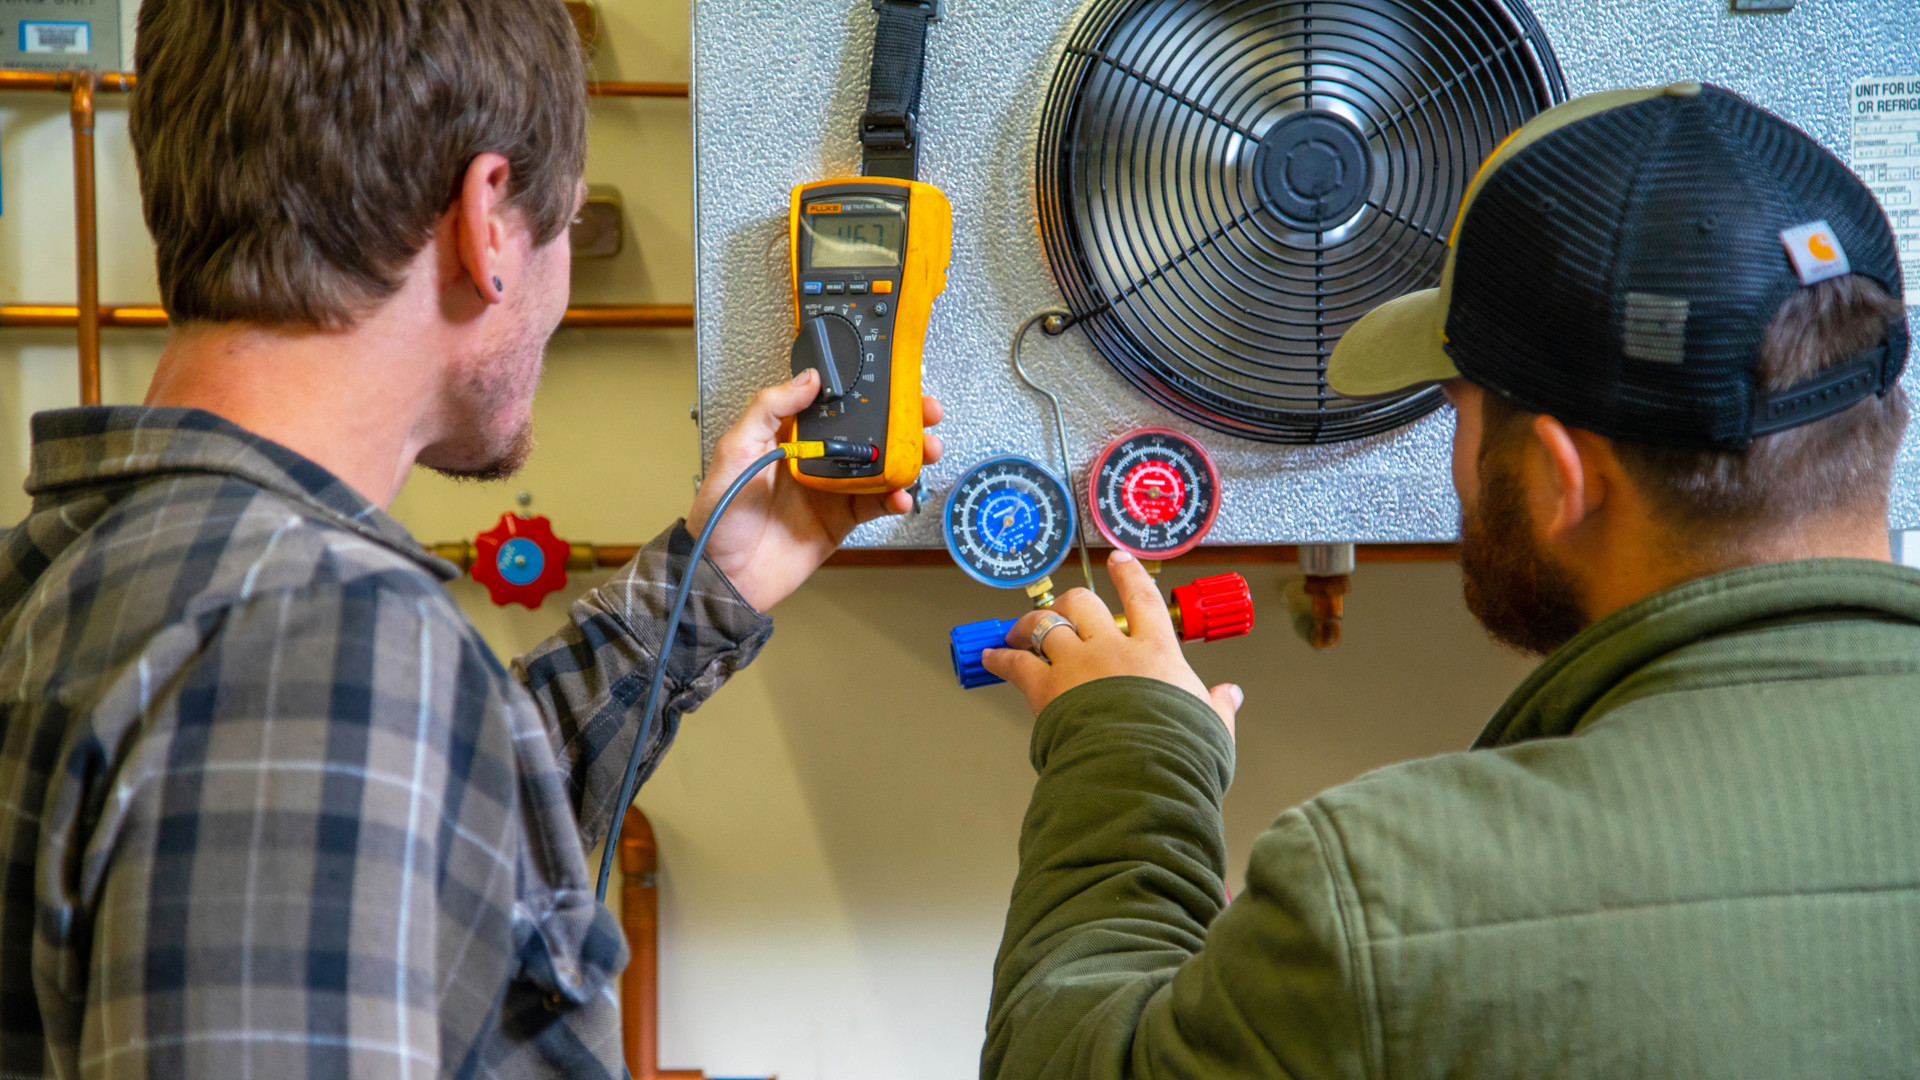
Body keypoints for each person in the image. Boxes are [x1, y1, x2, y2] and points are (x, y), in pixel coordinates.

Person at [0, 0, 940, 1076]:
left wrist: (706, 588)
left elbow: (419, 833)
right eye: (568, 226)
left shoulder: (75, 568)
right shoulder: (306, 646)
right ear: (488, 220)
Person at [979, 82, 1918, 1078]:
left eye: (1455, 409)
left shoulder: (1390, 896)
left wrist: (1130, 752)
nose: (1455, 457)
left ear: (1564, 479)